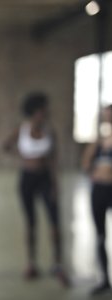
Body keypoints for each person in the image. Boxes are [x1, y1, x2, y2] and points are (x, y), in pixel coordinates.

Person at [3, 92, 69, 286]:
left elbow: (55, 161)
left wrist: (56, 184)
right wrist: (22, 158)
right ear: (34, 111)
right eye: (42, 109)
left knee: (54, 221)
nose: (45, 113)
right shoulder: (21, 129)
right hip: (27, 179)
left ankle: (57, 263)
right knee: (30, 222)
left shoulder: (50, 131)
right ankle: (31, 263)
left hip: (45, 178)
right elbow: (5, 146)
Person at [81, 104, 112, 295]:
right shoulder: (99, 142)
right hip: (99, 190)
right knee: (100, 236)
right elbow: (85, 164)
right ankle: (105, 279)